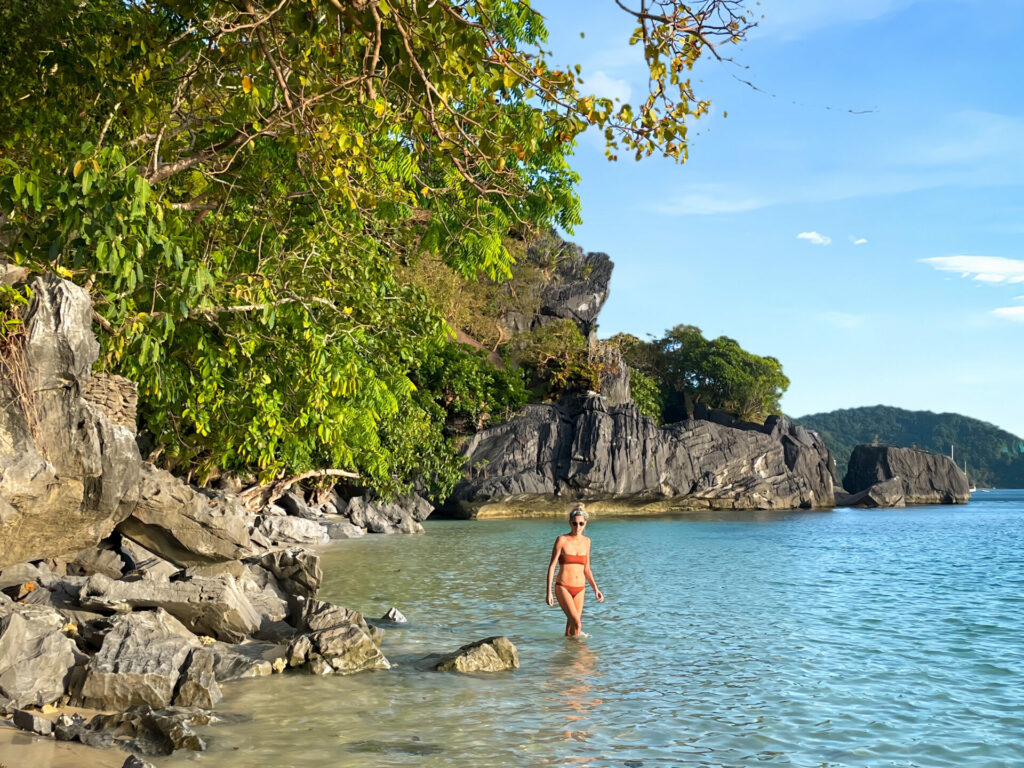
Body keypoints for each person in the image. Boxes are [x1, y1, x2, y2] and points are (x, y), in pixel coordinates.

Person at [546, 504, 603, 636]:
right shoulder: (562, 540)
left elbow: (587, 569)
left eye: (581, 524)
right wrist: (549, 592)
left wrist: (596, 589)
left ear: (585, 524)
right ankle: (579, 652)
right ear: (570, 523)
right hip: (563, 587)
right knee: (577, 623)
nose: (578, 527)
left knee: (571, 626)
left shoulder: (587, 541)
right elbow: (552, 566)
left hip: (580, 589)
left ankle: (569, 653)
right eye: (574, 523)